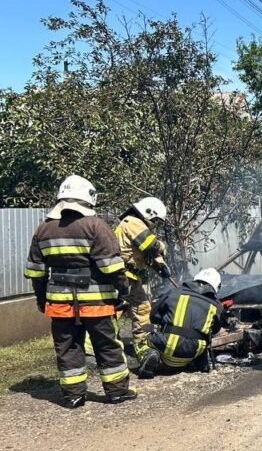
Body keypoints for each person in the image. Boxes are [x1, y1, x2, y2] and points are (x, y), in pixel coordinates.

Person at [23, 175, 136, 408]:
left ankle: (73, 395)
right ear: (88, 197)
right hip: (97, 304)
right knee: (106, 345)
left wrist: (42, 299)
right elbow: (112, 267)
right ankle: (117, 392)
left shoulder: (43, 229)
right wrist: (124, 293)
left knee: (67, 347)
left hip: (60, 305)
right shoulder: (96, 226)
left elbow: (36, 271)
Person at [136, 268, 227, 379]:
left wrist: (164, 326)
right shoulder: (216, 305)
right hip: (193, 351)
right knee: (204, 334)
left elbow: (154, 314)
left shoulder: (174, 292)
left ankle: (148, 355)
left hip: (166, 347)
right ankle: (200, 363)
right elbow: (215, 329)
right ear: (217, 286)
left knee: (142, 334)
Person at [114, 197, 171, 356]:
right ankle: (96, 348)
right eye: (155, 219)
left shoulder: (136, 225)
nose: (155, 223)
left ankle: (144, 347)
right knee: (114, 312)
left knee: (143, 311)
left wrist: (159, 266)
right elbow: (151, 246)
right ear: (148, 213)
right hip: (121, 277)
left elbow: (145, 254)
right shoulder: (132, 221)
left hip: (132, 277)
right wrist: (163, 247)